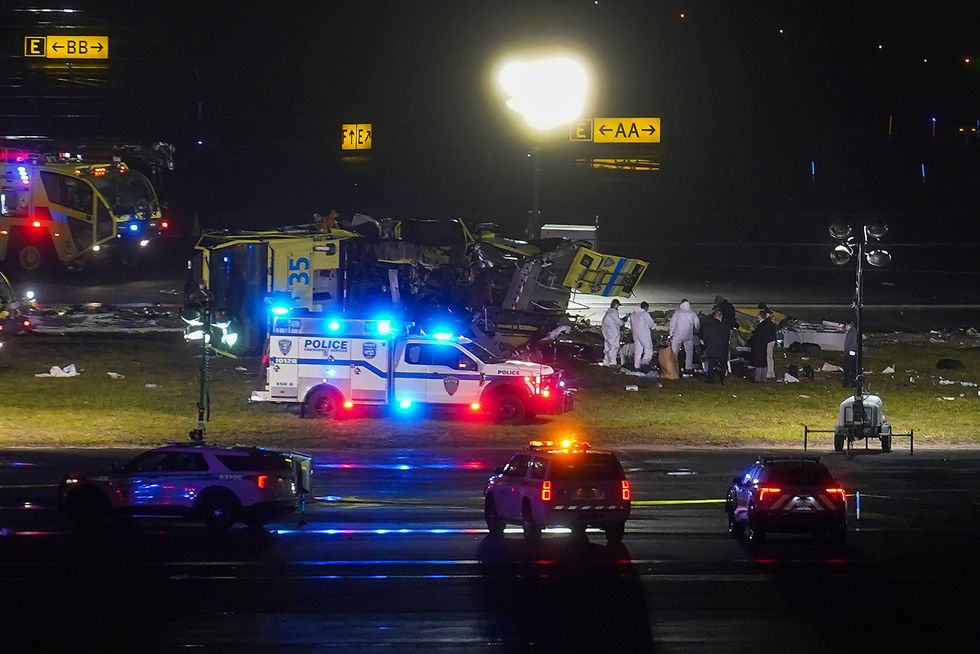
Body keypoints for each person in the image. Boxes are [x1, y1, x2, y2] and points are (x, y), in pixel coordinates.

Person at [668, 299, 700, 373]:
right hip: (688, 335)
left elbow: (672, 324)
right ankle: (688, 368)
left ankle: (673, 367)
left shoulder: (677, 312)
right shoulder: (692, 313)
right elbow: (697, 323)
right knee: (689, 352)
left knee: (674, 352)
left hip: (677, 335)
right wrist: (696, 329)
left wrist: (671, 334)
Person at [699, 307, 729, 384]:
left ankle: (711, 379)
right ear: (720, 316)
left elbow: (705, 335)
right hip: (721, 347)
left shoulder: (709, 325)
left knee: (711, 364)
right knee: (723, 364)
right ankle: (722, 379)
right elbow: (726, 337)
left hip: (712, 347)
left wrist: (706, 343)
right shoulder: (724, 326)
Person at [747, 309, 777, 382]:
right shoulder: (768, 323)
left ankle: (767, 374)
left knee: (766, 358)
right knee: (766, 358)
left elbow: (759, 335)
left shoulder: (764, 324)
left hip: (764, 343)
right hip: (767, 342)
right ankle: (766, 375)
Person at [629, 301, 656, 370]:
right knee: (648, 349)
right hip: (644, 334)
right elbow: (651, 324)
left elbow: (631, 326)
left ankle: (636, 366)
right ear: (646, 307)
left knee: (638, 351)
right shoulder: (644, 314)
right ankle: (644, 364)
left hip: (635, 335)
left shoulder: (633, 315)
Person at [600, 299, 626, 366]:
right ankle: (612, 363)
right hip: (612, 333)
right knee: (614, 347)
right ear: (615, 305)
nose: (618, 307)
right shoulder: (614, 312)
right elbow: (619, 322)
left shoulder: (608, 312)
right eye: (617, 305)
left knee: (607, 347)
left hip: (606, 333)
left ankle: (605, 362)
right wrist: (623, 321)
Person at [842, 320, 858, 388]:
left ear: (849, 325)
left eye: (846, 325)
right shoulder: (854, 332)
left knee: (847, 368)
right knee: (853, 368)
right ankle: (853, 382)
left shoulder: (851, 332)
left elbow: (849, 344)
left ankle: (846, 383)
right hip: (854, 353)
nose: (845, 327)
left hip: (850, 352)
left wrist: (847, 352)